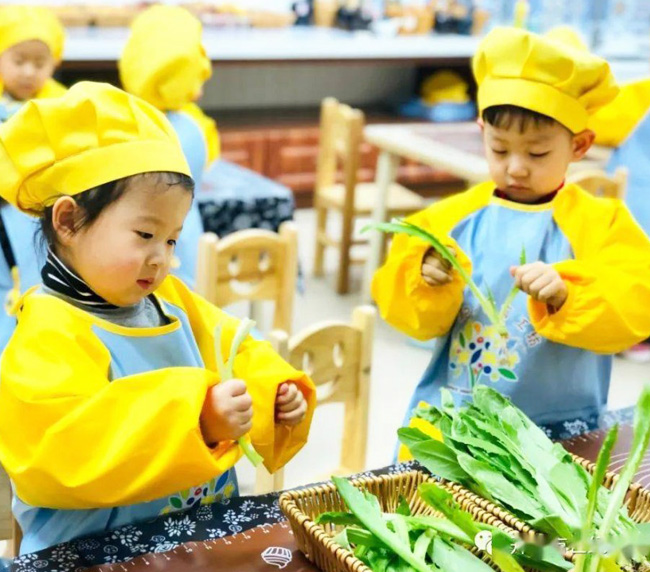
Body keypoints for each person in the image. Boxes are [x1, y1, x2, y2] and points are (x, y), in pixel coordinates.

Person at [0, 82, 316, 554]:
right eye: (146, 233)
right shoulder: (46, 330)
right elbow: (63, 453)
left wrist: (272, 388)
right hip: (95, 553)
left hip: (192, 543)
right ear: (67, 221)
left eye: (171, 240)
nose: (163, 259)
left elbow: (233, 345)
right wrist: (197, 418)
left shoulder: (169, 299)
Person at [372, 27, 650, 438]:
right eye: (500, 149)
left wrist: (569, 294)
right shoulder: (450, 219)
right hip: (460, 422)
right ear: (482, 132)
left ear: (579, 145)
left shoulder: (602, 222)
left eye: (537, 152)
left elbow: (635, 302)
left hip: (558, 429)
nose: (516, 167)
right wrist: (424, 279)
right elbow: (405, 313)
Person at [119, 5, 221, 288]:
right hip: (183, 238)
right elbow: (209, 161)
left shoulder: (121, 120)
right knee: (181, 299)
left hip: (133, 244)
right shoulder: (192, 127)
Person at [0, 5, 67, 349]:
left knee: (37, 281)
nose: (28, 71)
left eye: (39, 63)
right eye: (18, 60)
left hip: (35, 216)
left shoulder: (61, 109)